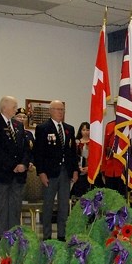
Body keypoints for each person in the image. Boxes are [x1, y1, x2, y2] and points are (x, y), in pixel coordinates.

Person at [0, 96, 30, 247]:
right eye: (14, 106)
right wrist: (13, 165)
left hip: (18, 174)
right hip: (2, 173)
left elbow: (25, 148)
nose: (16, 109)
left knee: (15, 206)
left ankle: (14, 235)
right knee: (1, 206)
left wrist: (23, 164)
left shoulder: (18, 125)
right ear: (4, 107)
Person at [34, 100, 78, 240]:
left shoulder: (69, 129)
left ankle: (61, 235)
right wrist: (41, 172)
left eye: (63, 109)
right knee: (48, 206)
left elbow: (72, 152)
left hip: (65, 172)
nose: (61, 112)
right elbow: (38, 153)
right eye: (58, 109)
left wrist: (75, 170)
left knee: (64, 206)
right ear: (50, 111)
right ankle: (47, 235)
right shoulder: (43, 128)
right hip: (50, 173)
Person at [102, 109, 128, 198]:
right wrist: (104, 167)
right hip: (110, 168)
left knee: (121, 198)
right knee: (109, 198)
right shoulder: (110, 125)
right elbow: (105, 147)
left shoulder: (128, 125)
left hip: (122, 168)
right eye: (115, 106)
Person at [71, 121, 92, 198]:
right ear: (80, 131)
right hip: (79, 171)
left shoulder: (94, 143)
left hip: (90, 172)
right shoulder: (76, 142)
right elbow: (74, 157)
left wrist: (89, 168)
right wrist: (78, 167)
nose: (85, 132)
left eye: (87, 130)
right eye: (83, 130)